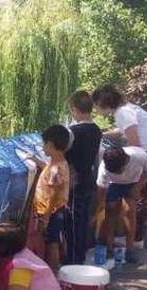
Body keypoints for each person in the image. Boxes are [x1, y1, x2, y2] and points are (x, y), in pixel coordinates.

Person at [93, 85, 147, 250]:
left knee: (139, 193)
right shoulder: (125, 110)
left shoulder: (123, 113)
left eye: (96, 105)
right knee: (143, 192)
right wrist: (103, 133)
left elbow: (135, 144)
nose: (96, 109)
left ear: (103, 103)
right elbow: (124, 132)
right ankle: (135, 236)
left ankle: (136, 238)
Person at [95, 146, 147, 262]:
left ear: (125, 162)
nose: (118, 173)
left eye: (118, 171)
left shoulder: (140, 157)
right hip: (113, 184)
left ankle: (130, 249)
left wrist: (139, 186)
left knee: (130, 212)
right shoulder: (104, 168)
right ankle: (109, 248)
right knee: (110, 212)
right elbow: (101, 189)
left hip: (133, 182)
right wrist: (99, 208)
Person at [64, 91, 103, 265]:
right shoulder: (96, 130)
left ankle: (73, 262)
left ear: (74, 109)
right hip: (88, 179)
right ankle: (80, 257)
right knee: (83, 221)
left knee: (72, 224)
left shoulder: (73, 132)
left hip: (74, 182)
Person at [31, 125, 71, 272]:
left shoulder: (56, 169)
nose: (43, 148)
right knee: (53, 239)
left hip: (51, 211)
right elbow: (48, 169)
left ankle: (54, 273)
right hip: (57, 210)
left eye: (44, 145)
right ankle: (55, 269)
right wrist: (37, 161)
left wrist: (46, 218)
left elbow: (52, 195)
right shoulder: (59, 163)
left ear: (50, 145)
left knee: (52, 242)